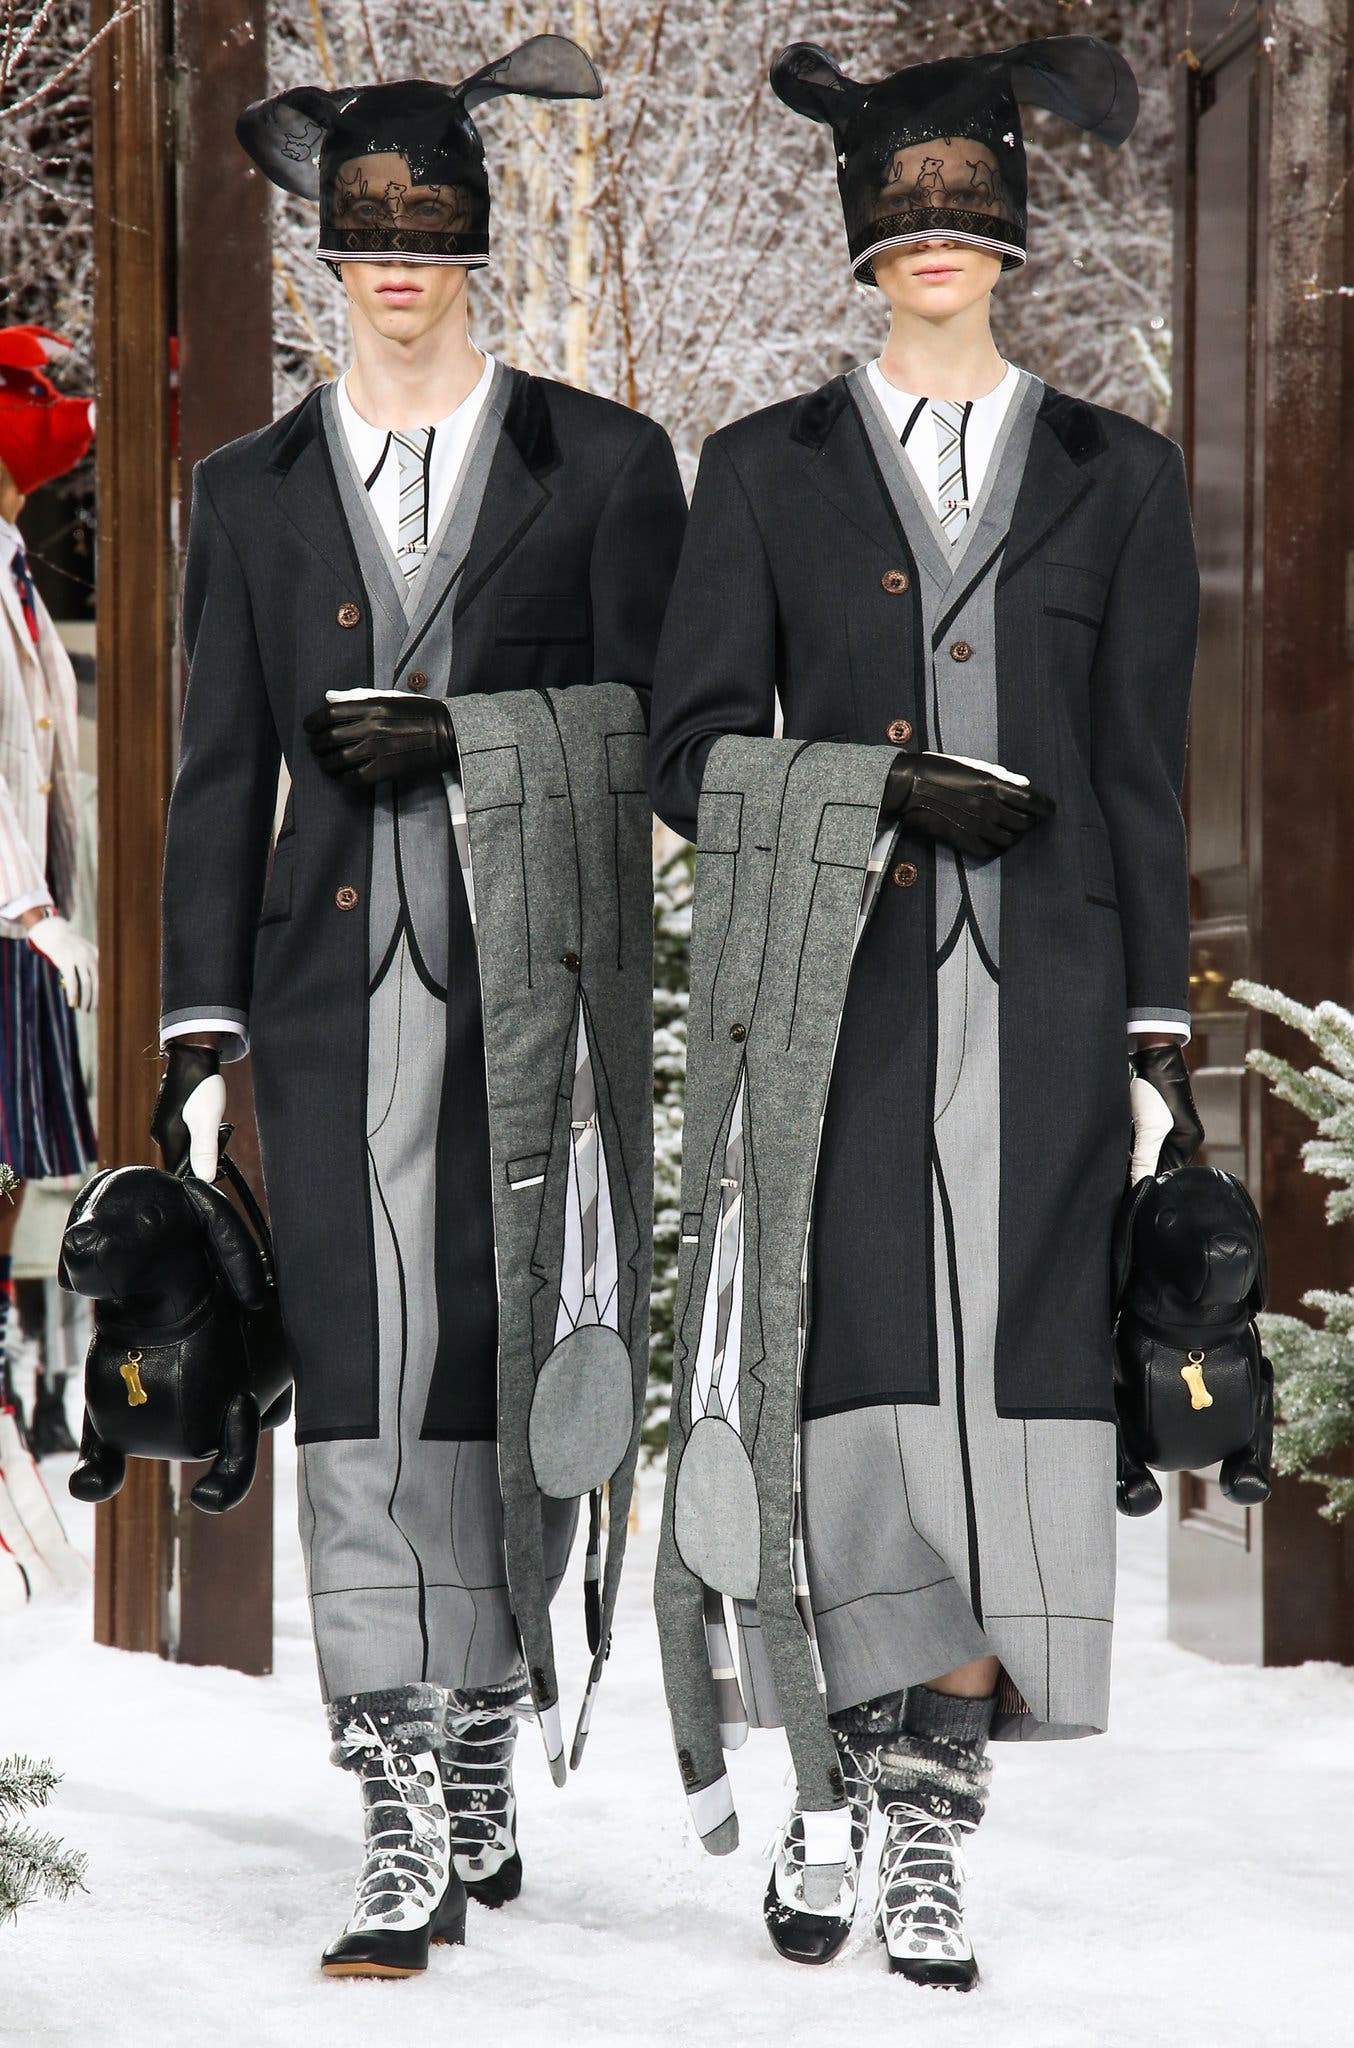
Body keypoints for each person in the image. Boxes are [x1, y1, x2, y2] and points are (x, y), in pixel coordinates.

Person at [650, 34, 1203, 1990]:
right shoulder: (765, 474)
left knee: (1012, 1424)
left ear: (1011, 233)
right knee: (865, 1405)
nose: (935, 242)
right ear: (862, 242)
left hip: (1050, 1017)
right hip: (846, 1014)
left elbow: (1139, 778)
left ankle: (929, 1821)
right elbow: (688, 751)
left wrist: (1158, 1050)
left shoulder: (1120, 482)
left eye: (966, 208)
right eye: (902, 215)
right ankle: (839, 1771)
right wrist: (866, 789)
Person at [152, 35, 685, 1979]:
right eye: (366, 234)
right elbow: (218, 770)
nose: (398, 266)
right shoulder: (250, 493)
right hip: (324, 1000)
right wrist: (199, 1032)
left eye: (430, 233)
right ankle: (392, 1783)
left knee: (495, 1369)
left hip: (535, 995)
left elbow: (660, 732)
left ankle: (480, 1707)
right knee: (362, 1376)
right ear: (328, 248)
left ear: (477, 242)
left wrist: (472, 742)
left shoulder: (603, 468)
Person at [0, 326, 97, 1439]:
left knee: (14, 1161)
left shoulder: (14, 564)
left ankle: (13, 1361)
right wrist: (31, 908)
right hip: (11, 916)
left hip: (24, 919)